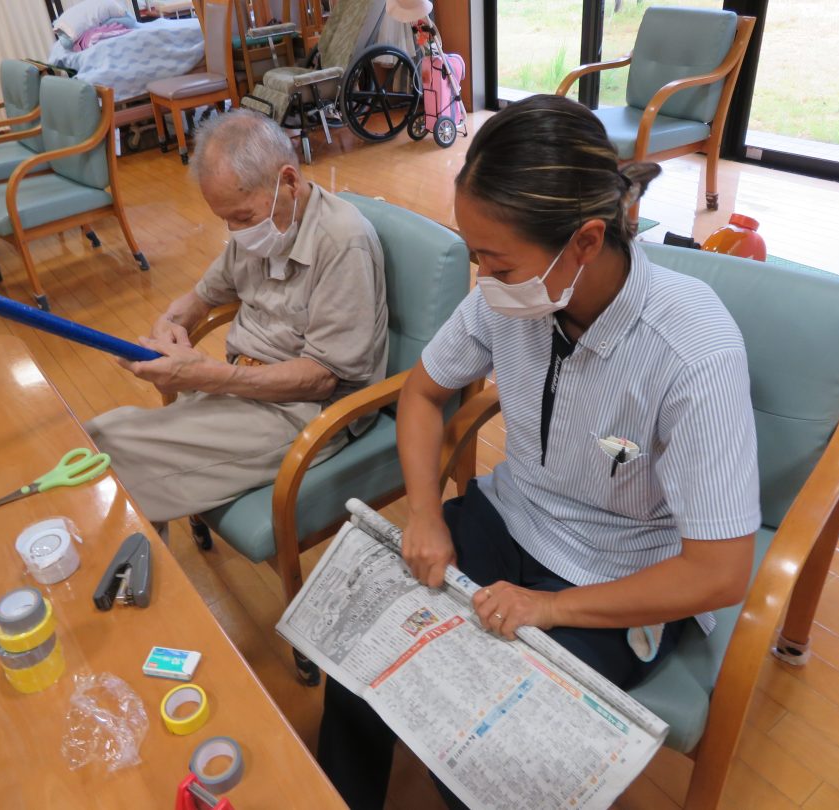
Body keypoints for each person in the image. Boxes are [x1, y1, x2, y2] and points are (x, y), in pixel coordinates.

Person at [316, 94, 760, 809]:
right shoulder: (511, 294)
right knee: (359, 646)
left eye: (498, 264)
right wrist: (424, 514)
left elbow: (720, 572)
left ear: (585, 241)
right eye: (476, 258)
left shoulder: (692, 350)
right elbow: (423, 394)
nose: (483, 283)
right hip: (509, 517)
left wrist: (550, 608)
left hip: (616, 573)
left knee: (479, 754)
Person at [86, 110, 387, 532]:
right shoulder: (262, 227)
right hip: (243, 390)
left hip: (306, 414)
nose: (234, 230)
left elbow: (322, 379)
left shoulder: (341, 241)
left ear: (288, 181)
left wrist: (210, 377)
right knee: (98, 436)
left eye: (242, 217)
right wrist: (170, 323)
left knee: (114, 460)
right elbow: (202, 296)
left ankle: (132, 564)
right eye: (224, 219)